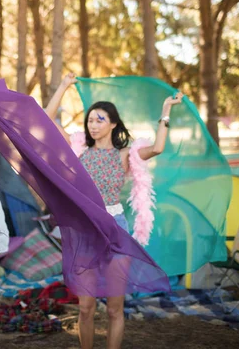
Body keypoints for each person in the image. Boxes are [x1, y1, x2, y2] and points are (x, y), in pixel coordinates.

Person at [45, 73, 183, 349]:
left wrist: (165, 112)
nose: (92, 124)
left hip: (115, 228)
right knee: (85, 308)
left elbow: (157, 147)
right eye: (90, 119)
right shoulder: (79, 150)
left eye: (100, 120)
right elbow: (48, 119)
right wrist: (63, 86)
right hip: (85, 230)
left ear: (113, 124)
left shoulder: (125, 155)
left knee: (113, 309)